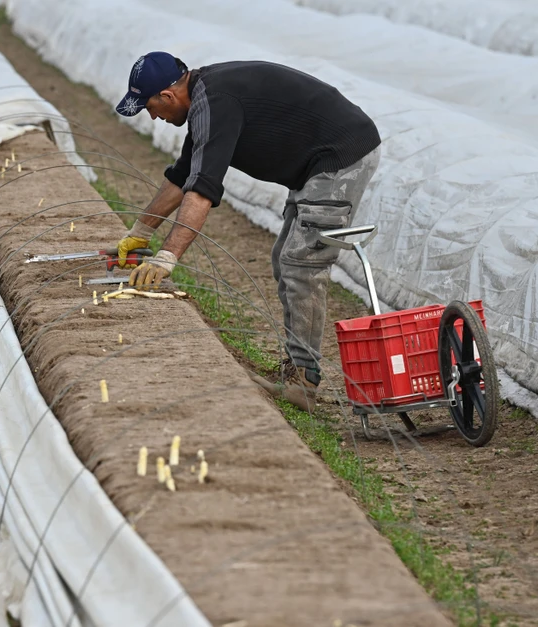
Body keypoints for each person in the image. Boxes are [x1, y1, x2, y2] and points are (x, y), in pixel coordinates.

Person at [113, 51, 381, 412]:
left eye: (150, 107)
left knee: (302, 263)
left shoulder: (216, 102)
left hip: (341, 154)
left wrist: (166, 258)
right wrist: (140, 232)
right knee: (284, 259)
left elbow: (201, 191)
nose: (154, 117)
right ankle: (299, 370)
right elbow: (183, 176)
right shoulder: (205, 101)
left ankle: (304, 380)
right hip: (315, 162)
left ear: (168, 96)